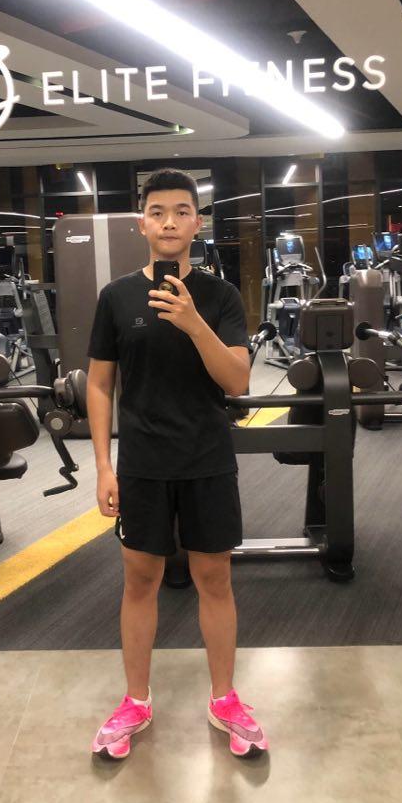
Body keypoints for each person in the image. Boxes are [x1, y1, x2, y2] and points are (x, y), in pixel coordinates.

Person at [86, 168, 268, 760]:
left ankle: (224, 699)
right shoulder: (116, 297)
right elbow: (99, 384)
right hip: (142, 463)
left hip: (207, 458)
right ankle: (135, 701)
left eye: (182, 211)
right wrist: (103, 466)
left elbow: (237, 380)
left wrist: (193, 322)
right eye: (158, 212)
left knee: (215, 579)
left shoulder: (221, 297)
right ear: (142, 224)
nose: (169, 222)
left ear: (197, 223)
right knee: (140, 580)